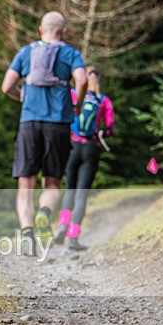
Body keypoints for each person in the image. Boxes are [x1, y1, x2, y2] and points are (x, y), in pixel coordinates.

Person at [1, 11, 87, 256]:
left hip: (29, 123)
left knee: (25, 184)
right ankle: (44, 213)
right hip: (58, 125)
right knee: (52, 182)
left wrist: (24, 97)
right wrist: (77, 106)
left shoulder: (26, 52)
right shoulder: (70, 53)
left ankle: (28, 235)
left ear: (41, 29)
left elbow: (6, 86)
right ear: (64, 31)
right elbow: (81, 80)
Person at [55, 66, 116, 251]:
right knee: (82, 194)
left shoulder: (73, 94)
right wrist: (103, 132)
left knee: (69, 190)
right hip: (91, 149)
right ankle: (73, 237)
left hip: (72, 147)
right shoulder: (103, 100)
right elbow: (111, 128)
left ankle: (62, 225)